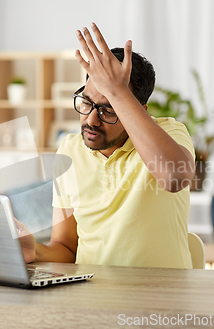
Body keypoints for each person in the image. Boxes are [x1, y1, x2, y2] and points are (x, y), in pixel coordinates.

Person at [16, 23, 196, 269]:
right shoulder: (69, 149)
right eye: (87, 103)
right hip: (91, 294)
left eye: (108, 109)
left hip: (159, 295)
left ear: (137, 110)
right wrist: (34, 250)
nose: (90, 120)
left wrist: (118, 92)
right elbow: (67, 248)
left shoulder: (169, 132)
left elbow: (175, 177)